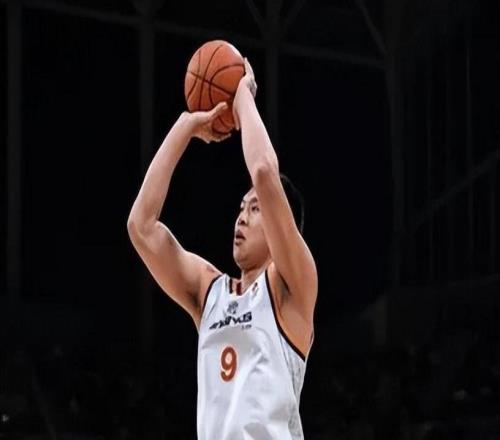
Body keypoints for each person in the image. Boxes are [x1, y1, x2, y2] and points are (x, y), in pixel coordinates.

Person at [127, 58, 317, 440]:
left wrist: (242, 94)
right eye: (241, 209)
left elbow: (263, 171)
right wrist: (185, 127)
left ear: (283, 227)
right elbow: (141, 227)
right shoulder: (210, 292)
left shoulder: (293, 287)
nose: (241, 218)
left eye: (256, 209)